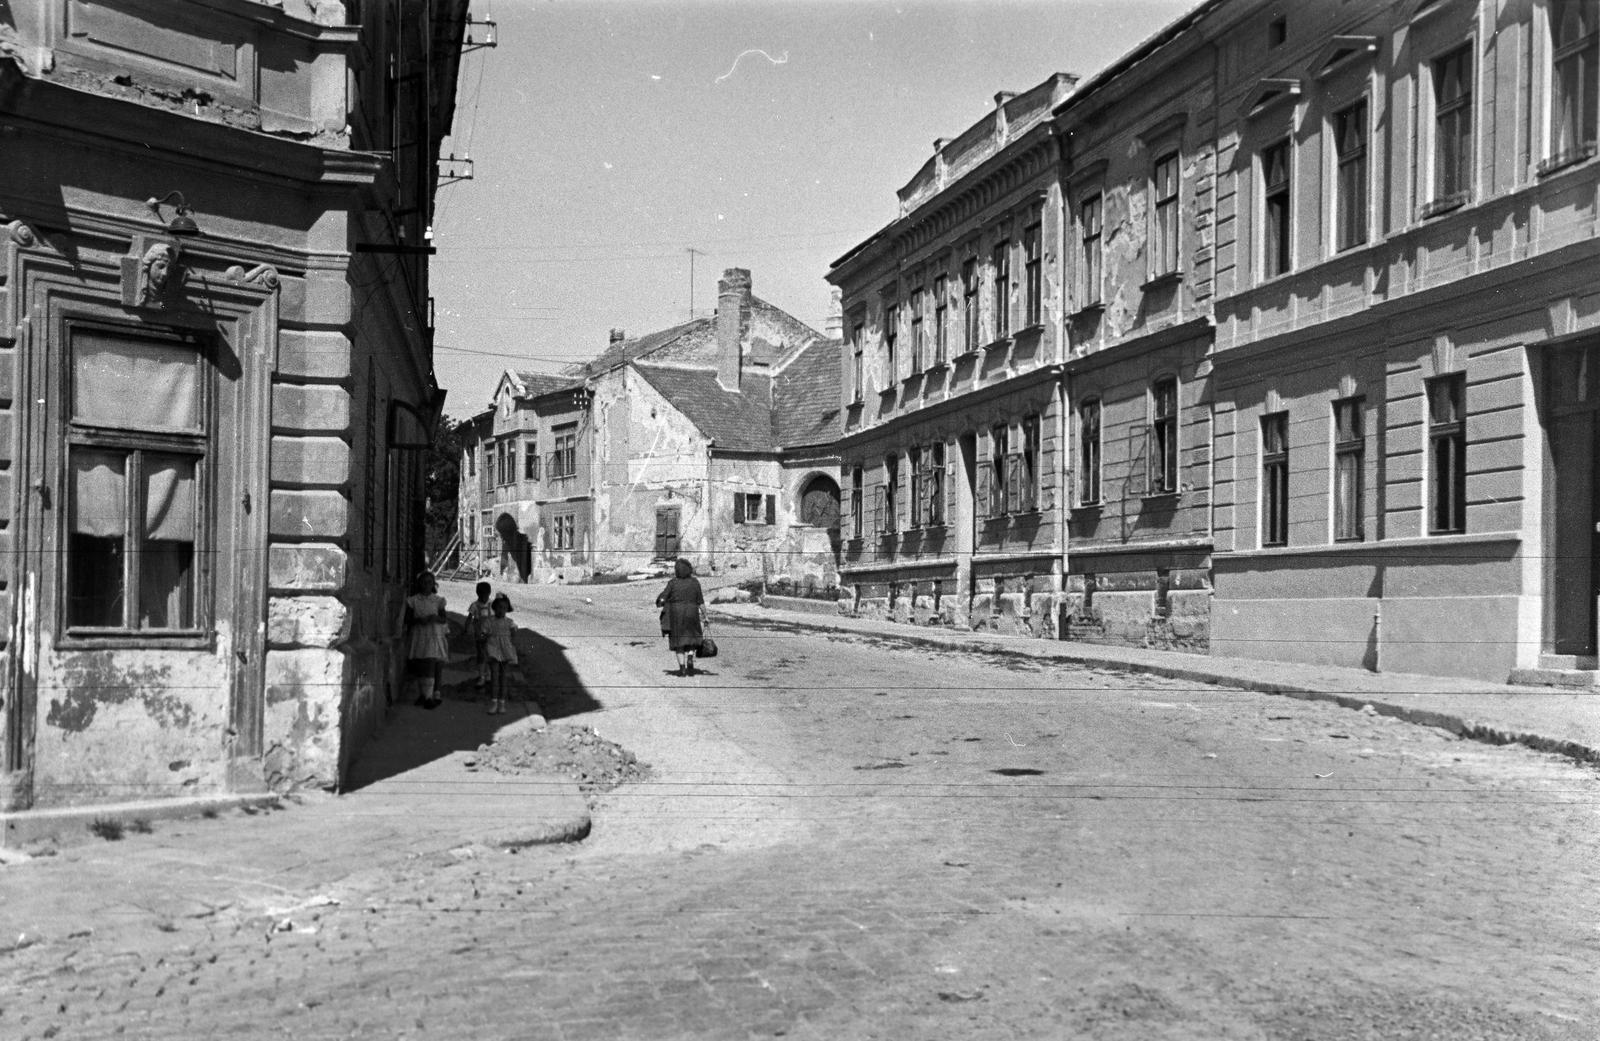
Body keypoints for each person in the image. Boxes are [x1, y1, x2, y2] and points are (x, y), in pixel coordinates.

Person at [404, 571, 450, 709]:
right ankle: (423, 694)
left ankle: (429, 697)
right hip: (419, 635)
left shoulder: (438, 600)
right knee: (420, 664)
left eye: (429, 582)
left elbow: (444, 619)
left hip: (433, 636)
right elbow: (408, 619)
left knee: (430, 662)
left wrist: (435, 618)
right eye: (424, 582)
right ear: (419, 584)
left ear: (433, 584)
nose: (426, 585)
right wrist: (418, 620)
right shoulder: (413, 601)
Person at [655, 557, 707, 677]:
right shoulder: (695, 582)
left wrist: (660, 601)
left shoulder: (673, 582)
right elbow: (700, 601)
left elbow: (664, 596)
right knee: (692, 638)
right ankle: (690, 655)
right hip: (692, 613)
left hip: (676, 615)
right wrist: (706, 616)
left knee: (678, 642)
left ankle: (682, 670)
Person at [482, 593, 519, 715]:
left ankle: (502, 703)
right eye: (499, 607)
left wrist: (512, 640)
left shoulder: (509, 622)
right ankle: (494, 702)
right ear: (494, 608)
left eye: (504, 608)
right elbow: (484, 633)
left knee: (503, 678)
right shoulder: (489, 621)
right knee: (494, 676)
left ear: (507, 609)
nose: (501, 610)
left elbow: (513, 636)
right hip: (493, 649)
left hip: (505, 650)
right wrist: (485, 636)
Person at [466, 581, 494, 691]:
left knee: (491, 655)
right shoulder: (475, 606)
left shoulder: (492, 605)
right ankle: (482, 676)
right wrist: (466, 628)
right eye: (481, 594)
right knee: (481, 655)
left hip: (491, 635)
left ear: (489, 593)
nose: (483, 596)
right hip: (479, 635)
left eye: (485, 594)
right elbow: (469, 618)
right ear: (477, 593)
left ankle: (489, 675)